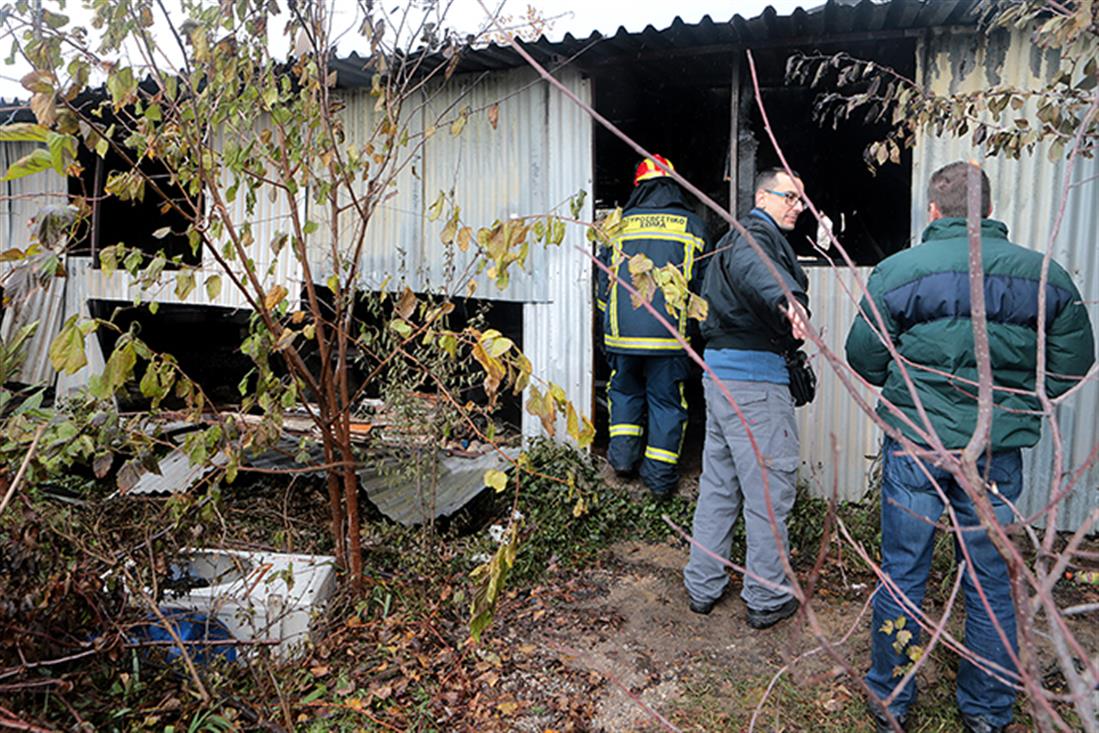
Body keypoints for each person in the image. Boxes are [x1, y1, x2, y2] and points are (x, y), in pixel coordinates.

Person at [845, 161, 1096, 733]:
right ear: (988, 210)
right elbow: (1073, 365)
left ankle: (891, 700)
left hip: (916, 446)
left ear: (933, 211)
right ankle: (986, 712)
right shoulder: (1044, 275)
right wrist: (1021, 406)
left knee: (903, 572)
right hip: (995, 454)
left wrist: (912, 398)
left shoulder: (897, 271)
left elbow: (863, 356)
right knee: (991, 581)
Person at [682, 167, 810, 629]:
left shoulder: (725, 240)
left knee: (720, 485)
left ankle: (703, 585)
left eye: (801, 200)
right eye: (789, 197)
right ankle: (766, 595)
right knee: (769, 492)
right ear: (762, 196)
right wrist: (788, 300)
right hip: (755, 384)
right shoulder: (753, 234)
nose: (798, 207)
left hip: (720, 379)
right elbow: (758, 269)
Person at [596, 155, 708, 498]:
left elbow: (603, 284)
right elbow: (700, 284)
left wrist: (608, 325)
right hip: (669, 336)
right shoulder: (692, 225)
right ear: (673, 185)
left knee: (625, 393)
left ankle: (624, 464)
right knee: (667, 402)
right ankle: (660, 481)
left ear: (637, 188)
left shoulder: (618, 224)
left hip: (622, 335)